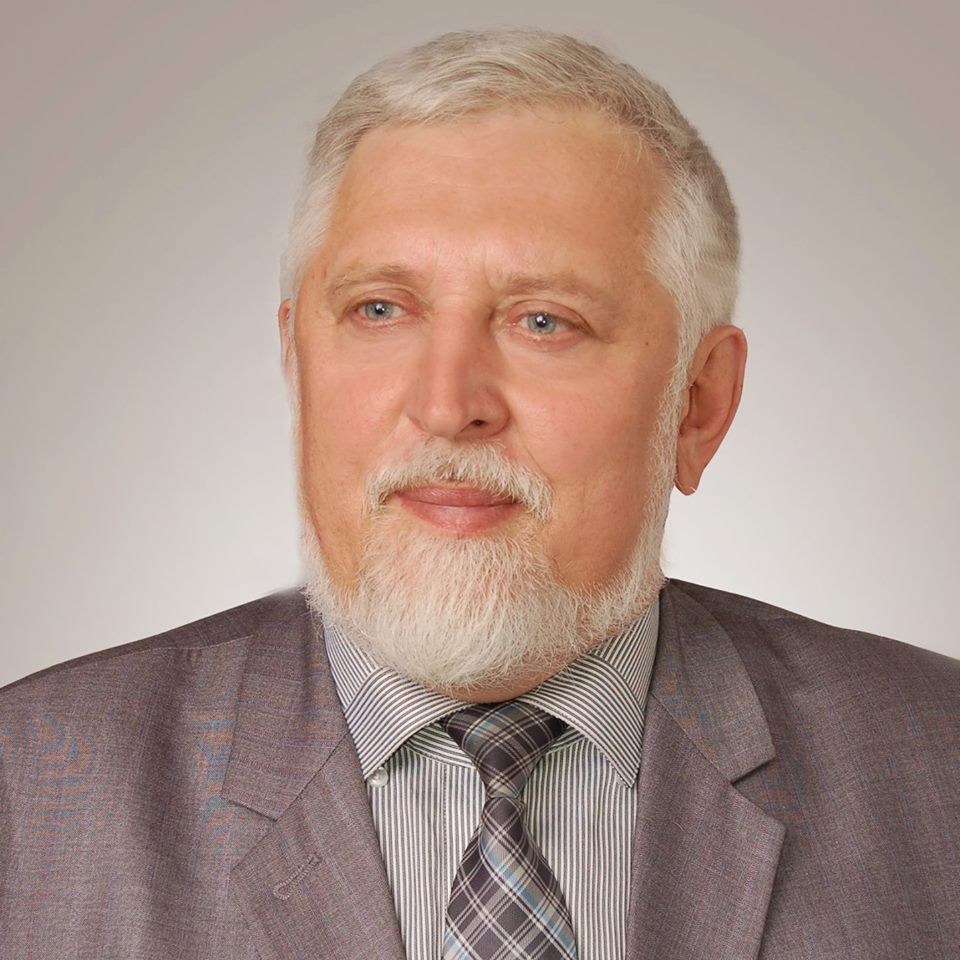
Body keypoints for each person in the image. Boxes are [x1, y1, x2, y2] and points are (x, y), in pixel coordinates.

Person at [0, 27, 957, 960]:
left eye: (545, 321)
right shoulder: (27, 788)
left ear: (698, 405)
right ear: (296, 362)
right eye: (380, 309)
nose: (447, 404)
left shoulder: (937, 766)